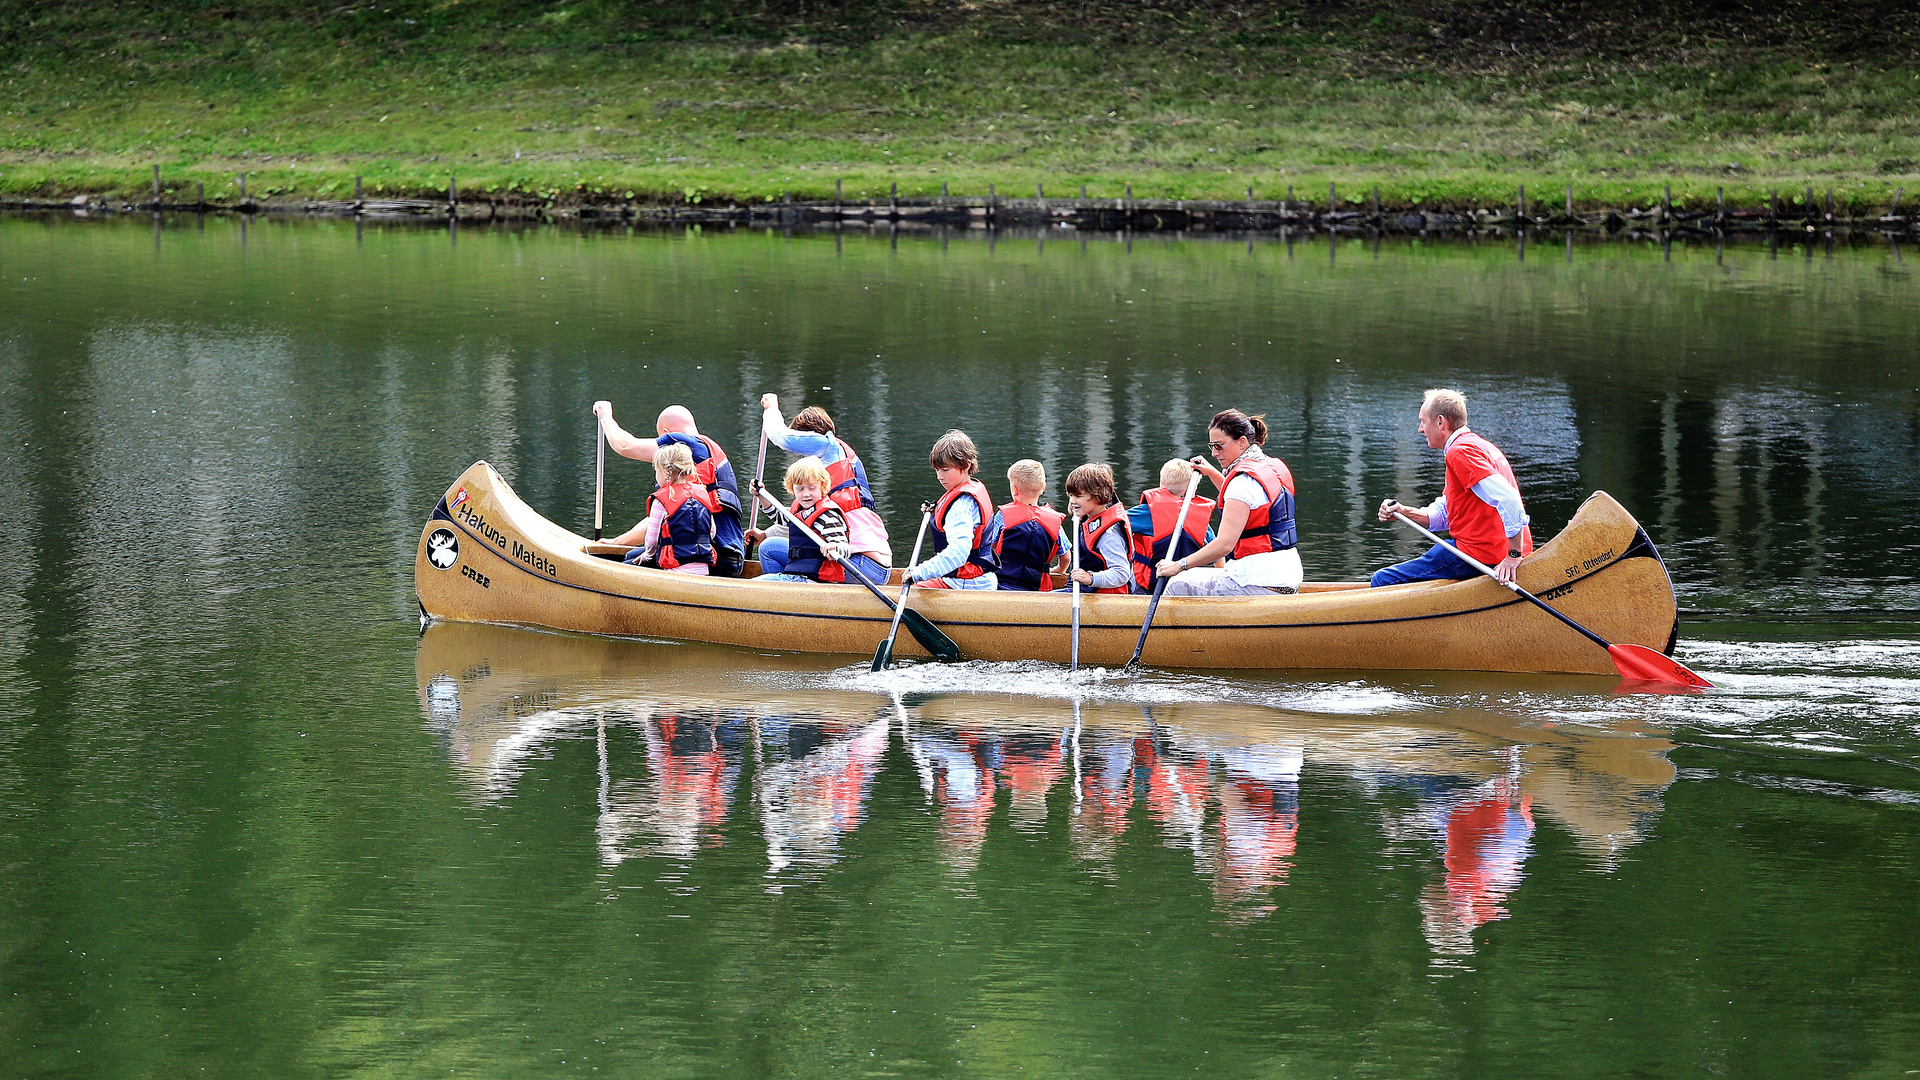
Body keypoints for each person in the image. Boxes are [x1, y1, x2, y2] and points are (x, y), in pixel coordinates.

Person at [1373, 388, 1533, 587]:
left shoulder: (1460, 452)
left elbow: (1509, 499)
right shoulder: (1478, 445)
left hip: (1480, 555)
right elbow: (1446, 514)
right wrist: (1404, 512)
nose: (1420, 429)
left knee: (1383, 580)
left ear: (1440, 422)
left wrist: (1514, 555)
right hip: (1485, 551)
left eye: (1423, 421)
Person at [1154, 409, 1303, 597]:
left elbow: (1224, 545)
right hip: (1288, 577)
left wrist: (1178, 565)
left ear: (1242, 442)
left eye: (1219, 446)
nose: (1215, 454)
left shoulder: (1241, 483)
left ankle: (1168, 627)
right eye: (1212, 446)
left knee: (1177, 583)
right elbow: (1246, 502)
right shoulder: (1271, 466)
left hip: (1256, 583)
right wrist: (1212, 472)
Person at [593, 400, 746, 576]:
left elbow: (624, 446)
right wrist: (618, 542)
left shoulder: (682, 443)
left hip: (713, 559)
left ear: (666, 434)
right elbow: (665, 517)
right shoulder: (712, 450)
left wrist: (605, 416)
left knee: (625, 566)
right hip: (732, 557)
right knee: (632, 554)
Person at [748, 394, 892, 576]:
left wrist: (771, 409)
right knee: (769, 546)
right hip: (874, 563)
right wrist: (766, 534)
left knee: (772, 552)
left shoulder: (827, 445)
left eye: (803, 451)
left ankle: (788, 592)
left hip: (859, 563)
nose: (803, 458)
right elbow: (804, 519)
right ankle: (791, 588)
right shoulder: (833, 469)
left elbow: (781, 437)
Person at [751, 457, 890, 586]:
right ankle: (784, 590)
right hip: (803, 572)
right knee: (767, 547)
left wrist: (835, 547)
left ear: (822, 487)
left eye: (812, 488)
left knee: (755, 585)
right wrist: (761, 495)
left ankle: (782, 592)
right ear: (792, 489)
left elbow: (845, 548)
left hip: (815, 579)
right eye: (800, 488)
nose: (806, 494)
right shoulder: (801, 509)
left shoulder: (827, 515)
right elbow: (780, 518)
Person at [906, 430, 1002, 590]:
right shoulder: (972, 488)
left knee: (911, 595)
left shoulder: (961, 505)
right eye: (937, 470)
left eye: (945, 470)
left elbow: (959, 553)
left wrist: (919, 572)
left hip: (965, 583)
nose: (939, 476)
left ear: (966, 465)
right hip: (982, 578)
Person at [607, 443, 716, 574]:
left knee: (624, 565)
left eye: (656, 471)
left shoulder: (661, 500)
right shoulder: (702, 493)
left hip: (673, 567)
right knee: (632, 554)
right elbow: (712, 532)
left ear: (665, 472)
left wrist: (647, 556)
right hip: (703, 568)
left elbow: (651, 540)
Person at [1129, 458, 1218, 593]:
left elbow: (1114, 523)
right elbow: (1217, 553)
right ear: (1191, 490)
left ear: (1162, 485)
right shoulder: (1199, 518)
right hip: (1187, 587)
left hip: (1149, 588)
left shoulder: (1146, 512)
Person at [1064, 463, 1140, 594]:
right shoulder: (1088, 514)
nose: (1072, 501)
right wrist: (1077, 507)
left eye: (1077, 496)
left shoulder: (1109, 535)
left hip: (1101, 598)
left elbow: (1121, 573)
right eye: (1070, 495)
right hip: (1082, 590)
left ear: (1097, 495)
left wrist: (1091, 578)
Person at [995, 459, 1065, 591]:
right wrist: (1059, 571)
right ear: (1043, 488)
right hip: (1037, 588)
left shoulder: (1002, 516)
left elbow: (989, 546)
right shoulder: (1055, 522)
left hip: (1001, 584)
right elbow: (1066, 557)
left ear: (1014, 489)